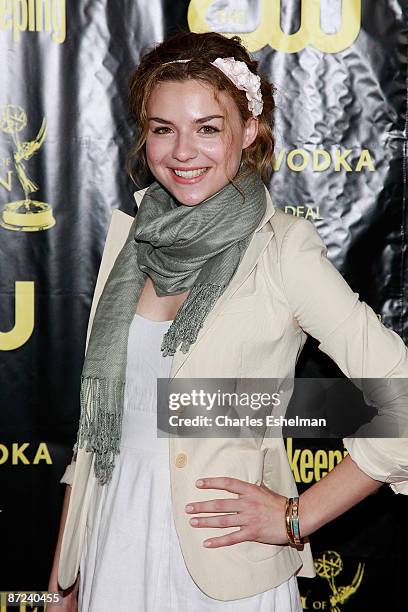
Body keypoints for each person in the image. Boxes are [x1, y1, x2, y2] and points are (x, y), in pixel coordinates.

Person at [48, 31, 408, 612]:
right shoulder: (129, 245)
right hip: (110, 548)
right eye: (163, 129)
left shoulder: (282, 249)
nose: (182, 151)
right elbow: (96, 439)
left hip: (222, 568)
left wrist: (298, 516)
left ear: (249, 131)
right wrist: (61, 583)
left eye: (208, 128)